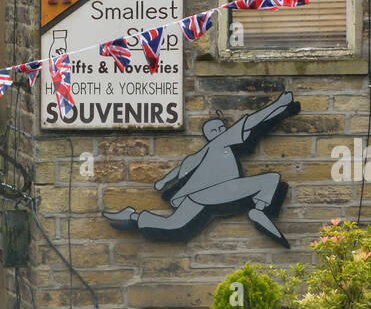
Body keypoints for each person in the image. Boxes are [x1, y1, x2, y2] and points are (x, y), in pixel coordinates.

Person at [103, 91, 300, 245]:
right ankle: (259, 208)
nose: (222, 132)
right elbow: (249, 123)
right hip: (211, 193)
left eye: (222, 128)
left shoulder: (203, 153)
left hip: (211, 193)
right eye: (216, 130)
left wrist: (163, 181)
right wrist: (278, 104)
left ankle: (259, 210)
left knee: (173, 225)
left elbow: (181, 170)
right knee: (270, 179)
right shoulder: (219, 144)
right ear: (210, 135)